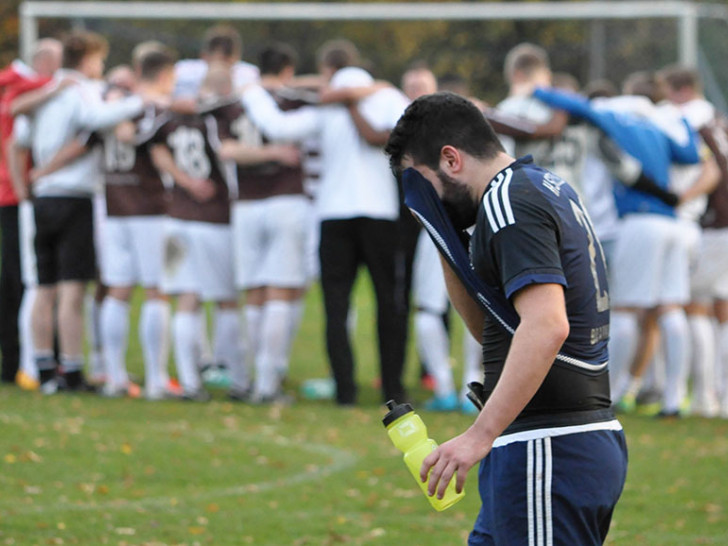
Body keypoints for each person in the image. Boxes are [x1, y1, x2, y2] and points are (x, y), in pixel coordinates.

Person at [385, 92, 627, 544]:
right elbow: (497, 330)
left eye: (421, 184)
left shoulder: (509, 202)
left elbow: (546, 325)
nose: (422, 200)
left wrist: (480, 433)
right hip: (549, 440)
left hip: (550, 443)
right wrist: (445, 239)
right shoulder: (533, 186)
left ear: (451, 160)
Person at [239, 40, 410, 405]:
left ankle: (345, 391)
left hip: (334, 214)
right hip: (380, 213)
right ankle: (393, 388)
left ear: (327, 71)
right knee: (389, 303)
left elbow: (278, 127)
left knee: (336, 305)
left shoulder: (324, 106)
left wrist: (252, 93)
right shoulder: (387, 97)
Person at [11, 31, 144, 394]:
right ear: (88, 60)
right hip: (75, 197)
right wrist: (138, 101)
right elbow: (95, 118)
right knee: (71, 291)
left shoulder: (41, 95)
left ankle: (42, 368)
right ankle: (71, 370)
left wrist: (26, 187)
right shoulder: (82, 91)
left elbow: (16, 141)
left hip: (43, 199)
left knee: (43, 287)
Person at [217, 43, 311, 402]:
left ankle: (254, 378)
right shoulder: (295, 101)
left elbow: (227, 150)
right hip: (286, 201)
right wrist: (275, 153)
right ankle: (269, 383)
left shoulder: (238, 102)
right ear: (288, 70)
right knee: (279, 292)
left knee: (254, 295)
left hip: (246, 206)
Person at [0, 38, 62, 387]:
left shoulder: (21, 88)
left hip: (18, 195)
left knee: (25, 281)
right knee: (28, 282)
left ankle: (23, 362)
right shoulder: (23, 91)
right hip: (16, 196)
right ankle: (23, 363)